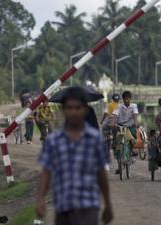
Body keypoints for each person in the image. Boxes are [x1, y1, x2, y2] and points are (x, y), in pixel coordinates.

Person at [36, 87, 113, 225]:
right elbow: (46, 172)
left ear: (85, 109)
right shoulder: (53, 141)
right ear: (63, 110)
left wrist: (107, 204)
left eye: (78, 108)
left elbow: (101, 174)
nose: (73, 112)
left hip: (88, 206)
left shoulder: (95, 140)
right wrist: (40, 198)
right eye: (69, 108)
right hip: (63, 207)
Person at [111, 91, 139, 173]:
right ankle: (119, 167)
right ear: (123, 99)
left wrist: (136, 122)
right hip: (120, 126)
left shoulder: (134, 106)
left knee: (133, 136)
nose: (127, 100)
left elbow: (135, 115)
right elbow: (115, 115)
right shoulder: (119, 107)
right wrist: (113, 122)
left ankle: (133, 150)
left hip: (130, 126)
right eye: (125, 99)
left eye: (128, 99)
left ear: (130, 99)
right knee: (117, 145)